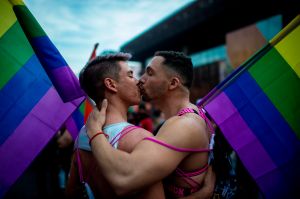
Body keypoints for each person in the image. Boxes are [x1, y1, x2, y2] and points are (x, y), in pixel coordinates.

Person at [86, 51, 216, 198]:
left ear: (173, 83)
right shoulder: (194, 115)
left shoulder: (185, 125)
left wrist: (94, 131)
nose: (140, 80)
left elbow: (125, 179)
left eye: (150, 73)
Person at [66, 53, 165, 198]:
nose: (138, 81)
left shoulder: (82, 135)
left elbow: (70, 193)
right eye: (131, 75)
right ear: (111, 84)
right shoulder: (141, 138)